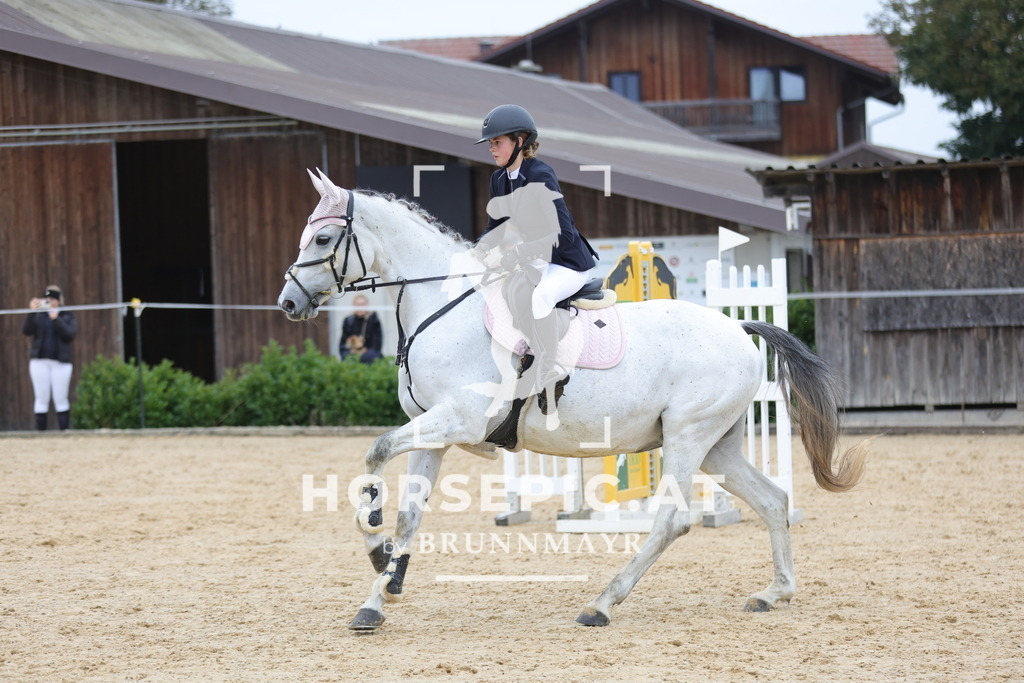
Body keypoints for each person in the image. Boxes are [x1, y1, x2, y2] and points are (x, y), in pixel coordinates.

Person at [474, 104, 599, 391]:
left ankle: (548, 370)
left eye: (497, 142)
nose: (492, 149)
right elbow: (496, 228)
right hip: (538, 261)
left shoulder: (541, 175)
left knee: (540, 296)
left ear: (520, 141)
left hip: (567, 262)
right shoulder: (498, 179)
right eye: (490, 143)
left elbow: (564, 235)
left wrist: (519, 253)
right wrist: (476, 251)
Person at [22, 285, 77, 430]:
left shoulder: (67, 316)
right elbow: (26, 330)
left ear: (59, 300)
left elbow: (69, 334)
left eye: (52, 299)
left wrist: (56, 319)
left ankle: (64, 432)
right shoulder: (39, 315)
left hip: (61, 362)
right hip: (40, 361)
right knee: (41, 397)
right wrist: (31, 312)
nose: (49, 302)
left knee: (61, 398)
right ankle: (41, 434)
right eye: (47, 299)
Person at [339, 294, 383, 363]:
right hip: (352, 353)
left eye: (363, 304)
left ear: (367, 305)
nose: (360, 307)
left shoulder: (373, 321)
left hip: (369, 354)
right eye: (358, 305)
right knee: (347, 357)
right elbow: (343, 344)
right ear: (354, 306)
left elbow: (377, 345)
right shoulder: (348, 321)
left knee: (370, 357)